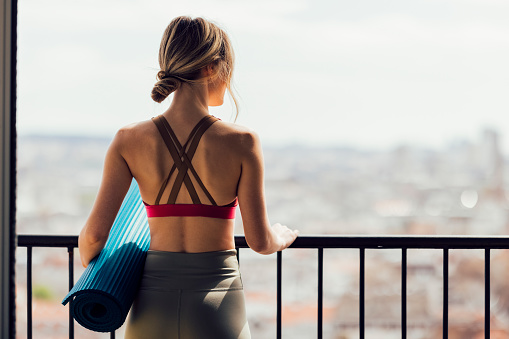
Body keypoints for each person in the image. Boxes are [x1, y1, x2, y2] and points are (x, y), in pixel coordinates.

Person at [78, 16, 299, 339]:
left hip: (151, 307)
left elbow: (95, 237)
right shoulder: (242, 141)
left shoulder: (128, 140)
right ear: (212, 67)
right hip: (218, 304)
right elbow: (259, 241)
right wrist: (282, 236)